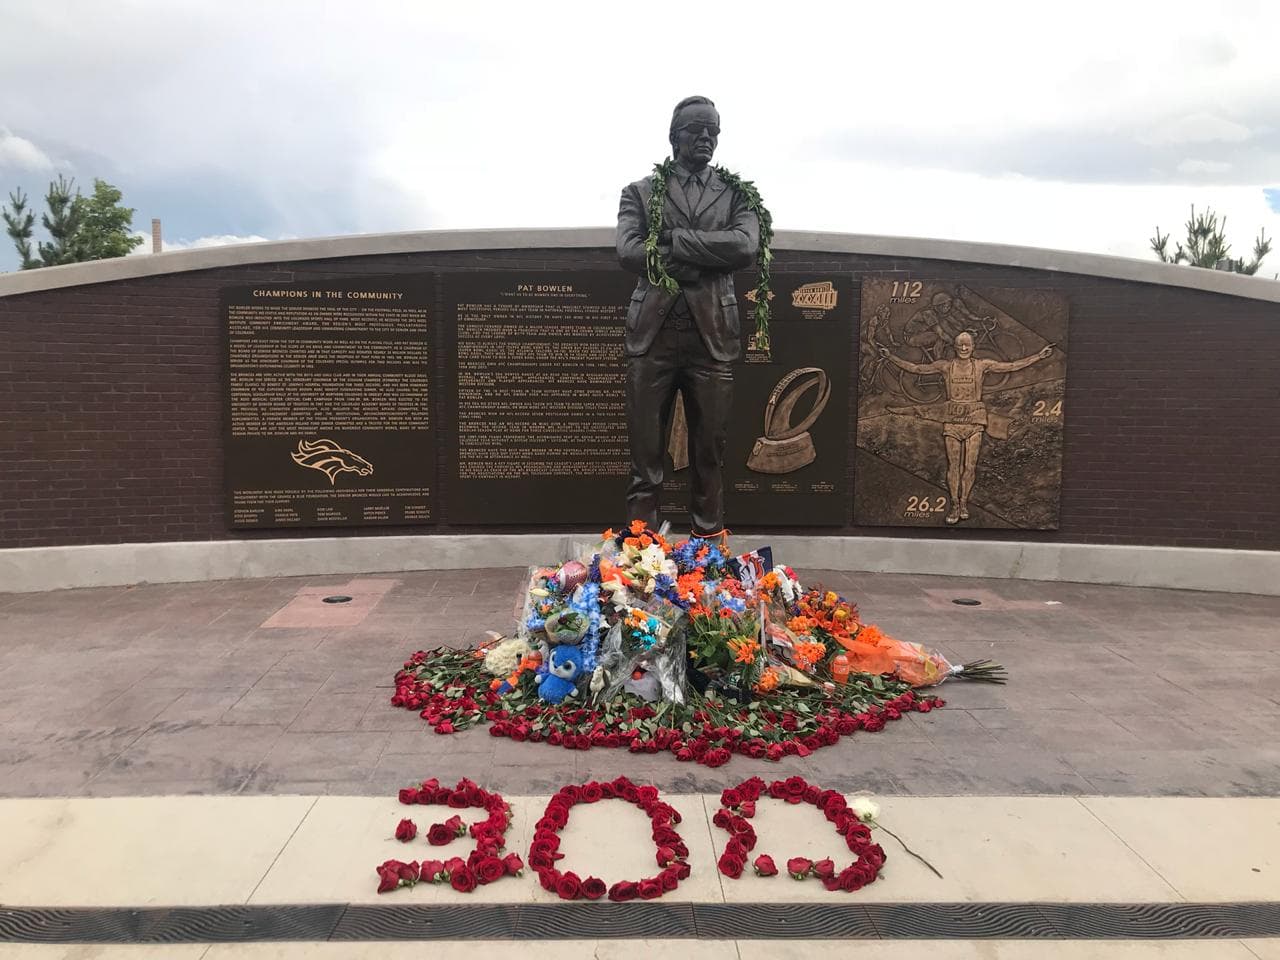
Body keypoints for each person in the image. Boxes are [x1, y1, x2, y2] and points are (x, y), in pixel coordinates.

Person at [616, 96, 761, 538]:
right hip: (652, 337)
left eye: (713, 132)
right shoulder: (640, 192)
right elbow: (628, 251)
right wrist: (705, 253)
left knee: (709, 453)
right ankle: (640, 550)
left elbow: (745, 246)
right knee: (646, 456)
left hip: (711, 338)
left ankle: (708, 549)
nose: (706, 139)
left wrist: (675, 243)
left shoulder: (738, 194)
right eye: (697, 130)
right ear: (674, 135)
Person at [878, 332, 1053, 524]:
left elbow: (1010, 366)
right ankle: (954, 504)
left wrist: (1038, 356)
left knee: (969, 467)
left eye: (967, 345)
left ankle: (963, 503)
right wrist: (890, 357)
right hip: (952, 421)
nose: (963, 349)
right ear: (954, 346)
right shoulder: (945, 366)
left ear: (973, 346)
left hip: (974, 420)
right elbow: (917, 368)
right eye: (960, 345)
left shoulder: (981, 365)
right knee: (954, 467)